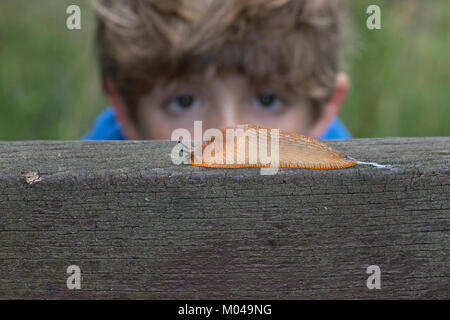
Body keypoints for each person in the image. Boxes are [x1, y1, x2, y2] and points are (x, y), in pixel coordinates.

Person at [84, 0, 352, 141]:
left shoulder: (351, 188)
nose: (227, 135)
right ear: (126, 113)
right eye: (184, 101)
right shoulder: (86, 201)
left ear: (325, 110)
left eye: (267, 100)